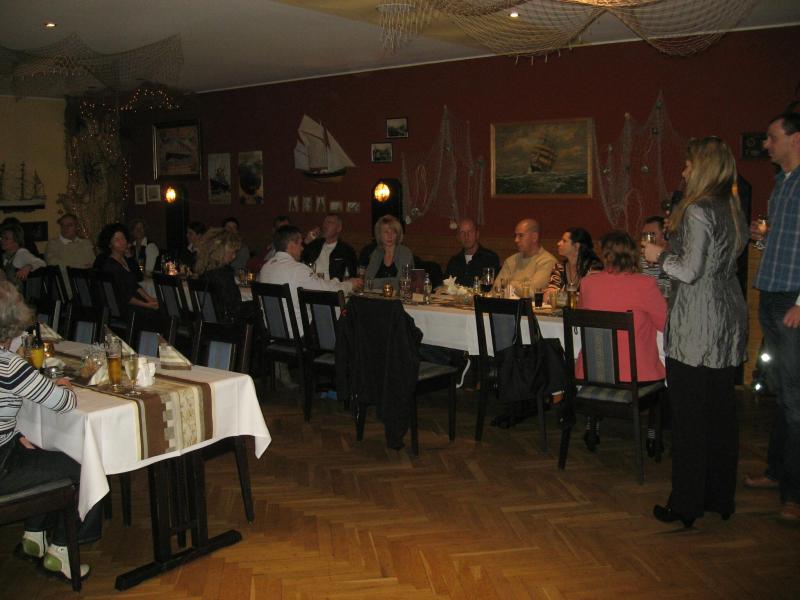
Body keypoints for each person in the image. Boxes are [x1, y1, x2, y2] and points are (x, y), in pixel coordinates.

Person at [644, 136, 748, 528]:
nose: (684, 171)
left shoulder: (698, 209)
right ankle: (720, 496)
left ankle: (686, 504)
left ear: (702, 167)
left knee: (689, 416)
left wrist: (659, 256)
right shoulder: (731, 206)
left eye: (688, 165)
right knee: (720, 413)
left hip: (697, 321)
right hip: (727, 312)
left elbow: (689, 271)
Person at [0, 281, 101, 581]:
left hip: (6, 450)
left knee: (39, 447)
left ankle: (34, 534)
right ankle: (62, 550)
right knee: (86, 467)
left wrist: (14, 435)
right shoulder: (8, 366)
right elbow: (63, 403)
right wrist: (65, 386)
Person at [744, 111, 800, 522]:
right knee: (782, 392)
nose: (766, 144)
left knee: (795, 399)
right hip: (772, 296)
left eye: (772, 137)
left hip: (792, 304)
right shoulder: (782, 183)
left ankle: (794, 495)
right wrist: (763, 239)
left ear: (796, 139)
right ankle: (777, 471)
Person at [579, 231, 667, 451]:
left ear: (605, 255)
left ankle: (592, 424)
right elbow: (665, 324)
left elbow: (582, 316)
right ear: (634, 256)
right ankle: (652, 432)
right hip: (637, 377)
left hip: (593, 373)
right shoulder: (645, 284)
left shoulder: (588, 283)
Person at [260, 225, 362, 334]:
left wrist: (335, 281)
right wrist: (350, 284)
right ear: (291, 245)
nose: (302, 248)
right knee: (342, 311)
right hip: (300, 335)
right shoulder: (297, 269)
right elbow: (328, 291)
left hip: (273, 332)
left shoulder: (265, 268)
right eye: (300, 243)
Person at [194, 227, 254, 323]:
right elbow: (235, 308)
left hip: (207, 323)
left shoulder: (203, 271)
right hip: (227, 325)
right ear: (221, 251)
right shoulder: (223, 275)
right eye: (233, 251)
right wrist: (256, 303)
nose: (234, 256)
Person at [96, 223, 159, 312]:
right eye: (117, 240)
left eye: (123, 238)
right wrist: (146, 305)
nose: (122, 242)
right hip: (124, 307)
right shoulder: (110, 265)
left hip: (134, 302)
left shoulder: (125, 259)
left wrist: (149, 298)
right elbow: (124, 296)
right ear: (109, 244)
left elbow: (136, 282)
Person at [495, 219, 557, 294]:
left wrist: (510, 283)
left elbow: (533, 291)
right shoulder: (510, 261)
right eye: (515, 236)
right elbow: (496, 290)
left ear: (534, 237)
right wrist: (521, 285)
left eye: (521, 236)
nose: (516, 240)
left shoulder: (548, 261)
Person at [545, 227, 601, 304]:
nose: (558, 243)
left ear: (577, 246)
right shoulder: (560, 267)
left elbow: (591, 298)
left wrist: (559, 297)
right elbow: (547, 296)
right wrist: (575, 297)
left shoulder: (594, 267)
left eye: (564, 241)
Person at [300, 214, 358, 281]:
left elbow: (352, 276)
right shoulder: (314, 245)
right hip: (311, 282)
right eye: (324, 222)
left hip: (333, 285)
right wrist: (307, 241)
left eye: (330, 222)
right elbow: (298, 258)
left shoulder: (347, 250)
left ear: (339, 228)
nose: (325, 225)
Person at [445, 218, 500, 287]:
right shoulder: (454, 261)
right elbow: (446, 286)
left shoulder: (490, 258)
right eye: (462, 232)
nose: (466, 236)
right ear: (458, 237)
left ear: (477, 234)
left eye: (470, 232)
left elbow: (494, 287)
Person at [364, 215, 414, 286]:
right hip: (375, 292)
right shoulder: (377, 253)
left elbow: (402, 282)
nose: (390, 236)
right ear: (379, 235)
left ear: (398, 235)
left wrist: (374, 283)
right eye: (386, 232)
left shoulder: (405, 252)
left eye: (394, 232)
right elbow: (367, 280)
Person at [1, 223, 46, 290]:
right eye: (1, 238)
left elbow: (42, 263)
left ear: (16, 241)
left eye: (6, 238)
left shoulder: (21, 253)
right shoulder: (5, 255)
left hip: (18, 295)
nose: (2, 240)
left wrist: (28, 267)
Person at [639, 216, 672, 298]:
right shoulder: (641, 260)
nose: (647, 239)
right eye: (644, 235)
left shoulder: (674, 260)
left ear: (664, 236)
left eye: (652, 234)